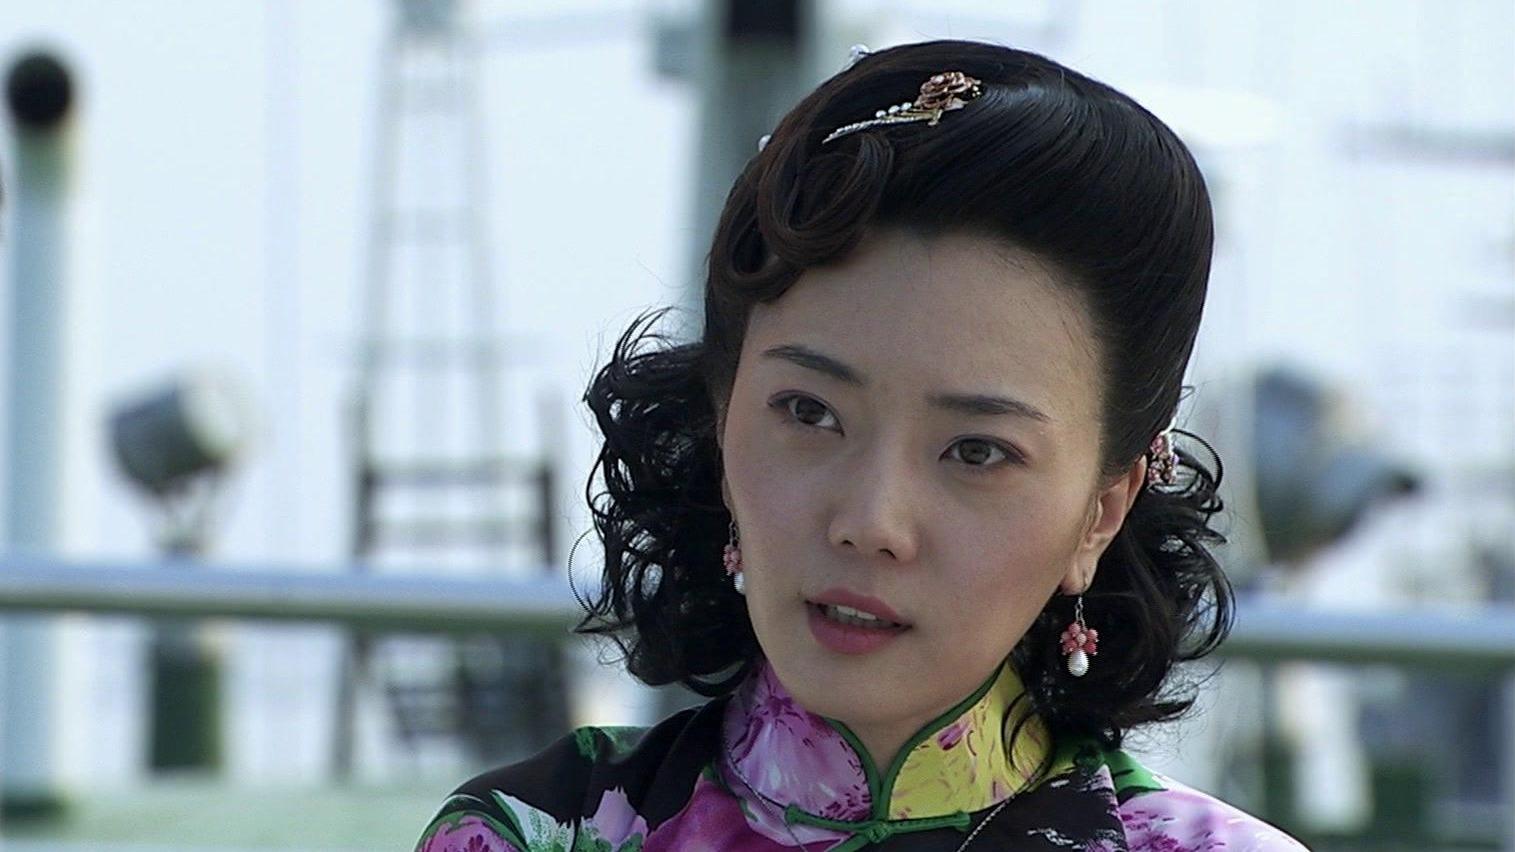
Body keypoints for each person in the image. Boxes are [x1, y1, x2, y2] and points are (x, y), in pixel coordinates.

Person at [414, 39, 1310, 851]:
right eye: (808, 413)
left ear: (1100, 511)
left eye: (975, 452)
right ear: (721, 421)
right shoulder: (531, 836)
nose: (871, 522)